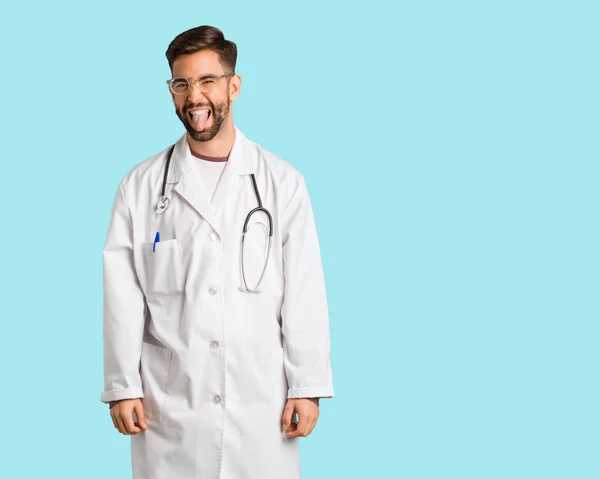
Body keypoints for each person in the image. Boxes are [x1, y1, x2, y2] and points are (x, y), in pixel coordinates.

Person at [99, 25, 335, 478]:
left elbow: (304, 289)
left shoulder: (282, 183)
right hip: (170, 407)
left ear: (234, 85)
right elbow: (122, 295)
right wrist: (122, 385)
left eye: (207, 81)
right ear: (171, 91)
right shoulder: (140, 187)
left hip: (260, 406)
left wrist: (307, 385)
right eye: (182, 84)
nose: (194, 97)